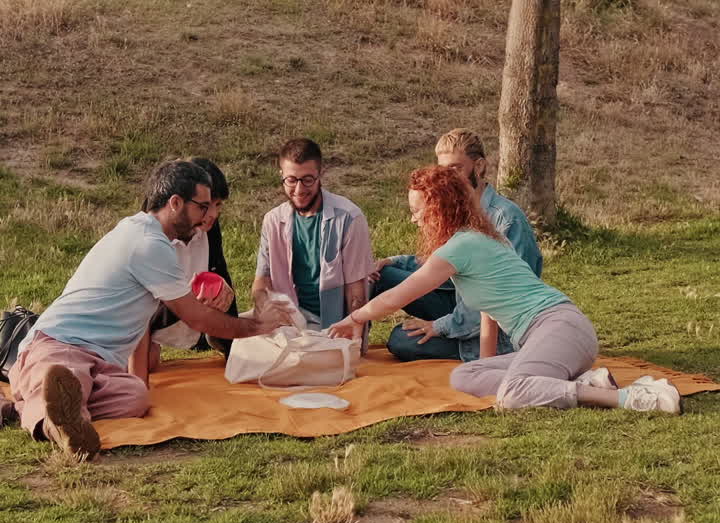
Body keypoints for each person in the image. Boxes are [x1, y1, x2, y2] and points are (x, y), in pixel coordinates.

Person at [329, 166, 680, 415]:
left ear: (439, 209)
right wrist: (487, 362)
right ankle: (592, 382)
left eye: (418, 211)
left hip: (557, 327)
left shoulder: (460, 247)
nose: (414, 219)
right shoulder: (479, 239)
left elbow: (398, 296)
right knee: (467, 374)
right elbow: (488, 313)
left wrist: (355, 318)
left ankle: (630, 398)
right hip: (560, 334)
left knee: (512, 393)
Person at [10, 161, 291, 462]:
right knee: (71, 376)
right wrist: (258, 326)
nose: (207, 217)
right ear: (175, 203)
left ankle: (32, 406)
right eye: (202, 207)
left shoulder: (149, 237)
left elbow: (148, 321)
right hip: (61, 344)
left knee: (134, 397)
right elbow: (197, 318)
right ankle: (60, 428)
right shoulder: (148, 243)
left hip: (102, 361)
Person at [373, 129, 542, 362]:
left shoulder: (507, 219)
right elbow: (441, 262)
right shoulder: (452, 210)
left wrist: (439, 326)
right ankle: (340, 343)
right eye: (443, 171)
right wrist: (395, 261)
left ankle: (482, 354)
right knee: (380, 274)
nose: (448, 179)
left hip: (494, 325)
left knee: (401, 339)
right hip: (456, 301)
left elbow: (507, 298)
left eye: (455, 169)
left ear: (479, 166)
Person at [252, 137, 373, 331]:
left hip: (330, 325)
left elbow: (356, 291)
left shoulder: (349, 218)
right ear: (281, 175)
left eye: (307, 180)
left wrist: (354, 334)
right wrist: (263, 309)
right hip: (287, 319)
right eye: (291, 180)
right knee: (224, 334)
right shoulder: (272, 220)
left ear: (320, 174)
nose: (299, 190)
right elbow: (262, 281)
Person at [145, 158, 238, 367]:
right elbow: (136, 314)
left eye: (218, 205)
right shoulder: (149, 238)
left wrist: (224, 298)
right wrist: (185, 302)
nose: (213, 214)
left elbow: (222, 277)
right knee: (146, 361)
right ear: (179, 204)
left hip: (190, 322)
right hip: (136, 327)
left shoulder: (209, 229)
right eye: (206, 206)